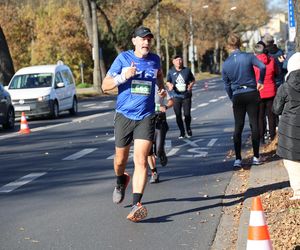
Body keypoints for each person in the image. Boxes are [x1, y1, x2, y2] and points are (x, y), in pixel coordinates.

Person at [102, 26, 165, 222]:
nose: (146, 42)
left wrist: (162, 90)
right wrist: (123, 76)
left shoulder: (155, 59)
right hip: (124, 115)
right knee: (120, 160)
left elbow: (159, 75)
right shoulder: (123, 59)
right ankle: (121, 180)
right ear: (134, 41)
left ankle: (137, 203)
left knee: (141, 159)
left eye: (149, 39)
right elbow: (105, 87)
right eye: (143, 39)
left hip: (146, 116)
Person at [221, 33, 266, 168]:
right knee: (254, 124)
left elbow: (226, 85)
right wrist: (260, 81)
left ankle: (238, 159)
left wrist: (232, 98)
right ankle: (256, 156)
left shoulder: (226, 63)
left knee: (238, 126)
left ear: (228, 46)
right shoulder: (248, 56)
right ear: (240, 43)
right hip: (252, 92)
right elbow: (262, 67)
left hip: (238, 95)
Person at [272, 52, 300, 201]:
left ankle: (298, 192)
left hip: (290, 131)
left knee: (293, 162)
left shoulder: (285, 87)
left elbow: (276, 109)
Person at [148, 86, 174, 184]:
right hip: (145, 121)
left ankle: (161, 153)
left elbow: (171, 101)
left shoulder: (159, 87)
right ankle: (154, 173)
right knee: (148, 151)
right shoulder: (139, 86)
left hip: (159, 121)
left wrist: (165, 107)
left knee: (158, 150)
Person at [166, 54, 195, 139]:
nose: (179, 62)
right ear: (173, 62)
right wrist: (169, 85)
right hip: (176, 95)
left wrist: (191, 85)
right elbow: (167, 81)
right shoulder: (171, 71)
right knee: (178, 115)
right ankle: (182, 132)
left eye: (180, 60)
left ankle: (188, 128)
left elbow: (193, 80)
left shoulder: (187, 70)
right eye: (177, 60)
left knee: (187, 114)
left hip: (186, 95)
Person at [253, 43, 277, 144]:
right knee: (271, 115)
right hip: (271, 90)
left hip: (259, 91)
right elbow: (276, 72)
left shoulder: (254, 63)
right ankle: (272, 137)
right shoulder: (271, 60)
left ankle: (262, 138)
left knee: (260, 116)